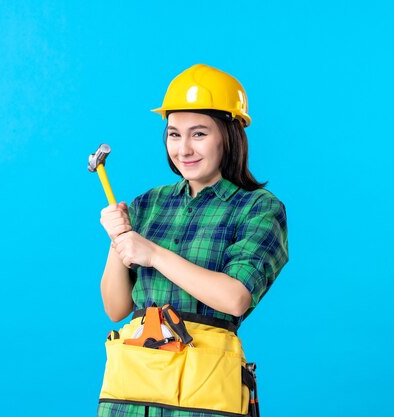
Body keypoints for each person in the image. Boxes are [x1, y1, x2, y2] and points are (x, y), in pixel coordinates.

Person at [96, 63, 289, 417]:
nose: (183, 149)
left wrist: (152, 253)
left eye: (198, 134)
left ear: (229, 137)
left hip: (203, 395)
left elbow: (234, 298)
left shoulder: (258, 209)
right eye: (174, 134)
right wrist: (118, 239)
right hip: (132, 391)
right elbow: (117, 309)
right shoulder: (149, 204)